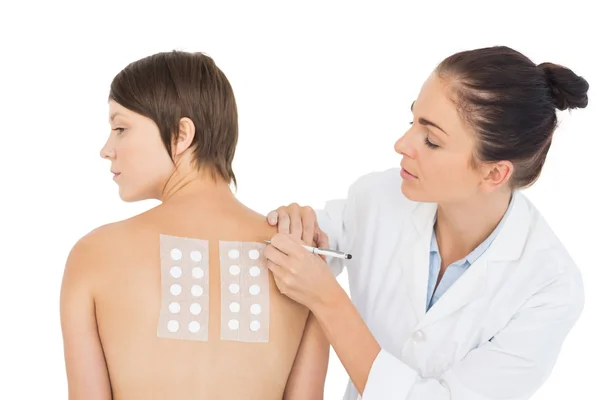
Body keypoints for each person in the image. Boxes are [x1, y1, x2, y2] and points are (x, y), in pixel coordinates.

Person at [263, 45, 589, 400]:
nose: (402, 144)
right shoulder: (380, 197)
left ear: (494, 172)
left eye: (431, 140)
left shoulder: (549, 288)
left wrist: (328, 300)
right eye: (412, 122)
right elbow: (313, 244)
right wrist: (295, 228)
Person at [59, 51, 329, 400]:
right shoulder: (303, 261)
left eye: (120, 128)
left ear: (182, 134)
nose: (107, 149)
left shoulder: (94, 255)